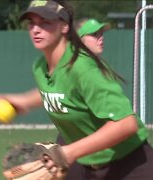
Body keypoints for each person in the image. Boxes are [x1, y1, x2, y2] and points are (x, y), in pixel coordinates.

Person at [0, 0, 153, 179]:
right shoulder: (40, 67)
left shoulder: (83, 68)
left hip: (130, 165)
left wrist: (68, 152)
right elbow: (64, 90)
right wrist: (24, 101)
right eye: (32, 23)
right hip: (87, 166)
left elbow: (126, 123)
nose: (36, 29)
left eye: (45, 22)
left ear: (64, 27)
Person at [55, 18, 112, 180]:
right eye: (94, 34)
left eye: (101, 33)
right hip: (76, 142)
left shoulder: (98, 67)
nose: (101, 38)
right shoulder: (72, 68)